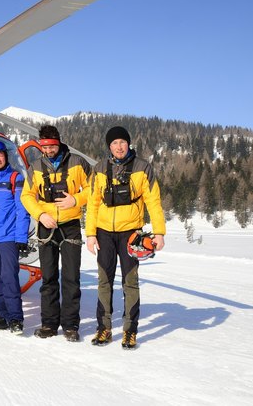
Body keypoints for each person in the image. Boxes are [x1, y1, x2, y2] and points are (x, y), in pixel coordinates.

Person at [85, 125, 166, 350]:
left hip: (131, 232)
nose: (119, 147)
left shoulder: (143, 168)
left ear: (128, 144)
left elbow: (154, 202)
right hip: (103, 232)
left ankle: (130, 330)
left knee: (130, 282)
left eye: (122, 142)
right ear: (109, 146)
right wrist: (90, 234)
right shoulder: (100, 169)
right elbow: (92, 204)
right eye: (114, 143)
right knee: (104, 281)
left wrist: (159, 232)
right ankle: (104, 327)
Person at [21, 125, 91, 342]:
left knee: (71, 277)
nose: (48, 150)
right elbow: (27, 196)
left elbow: (94, 188)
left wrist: (76, 200)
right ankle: (49, 323)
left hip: (70, 224)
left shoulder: (78, 163)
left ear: (58, 143)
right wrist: (40, 215)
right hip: (46, 225)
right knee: (49, 277)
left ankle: (70, 325)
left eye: (51, 146)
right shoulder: (35, 167)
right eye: (44, 146)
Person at [0, 140, 30, 334]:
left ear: (5, 157)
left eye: (0, 155)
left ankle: (16, 317)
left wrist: (21, 237)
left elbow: (22, 209)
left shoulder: (15, 178)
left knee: (9, 277)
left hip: (8, 237)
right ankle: (3, 315)